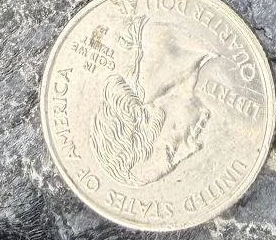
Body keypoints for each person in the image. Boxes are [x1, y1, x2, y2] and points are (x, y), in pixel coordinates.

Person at [91, 14, 215, 186]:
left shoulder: (158, 34)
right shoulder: (191, 54)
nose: (194, 148)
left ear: (149, 116)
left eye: (171, 151)